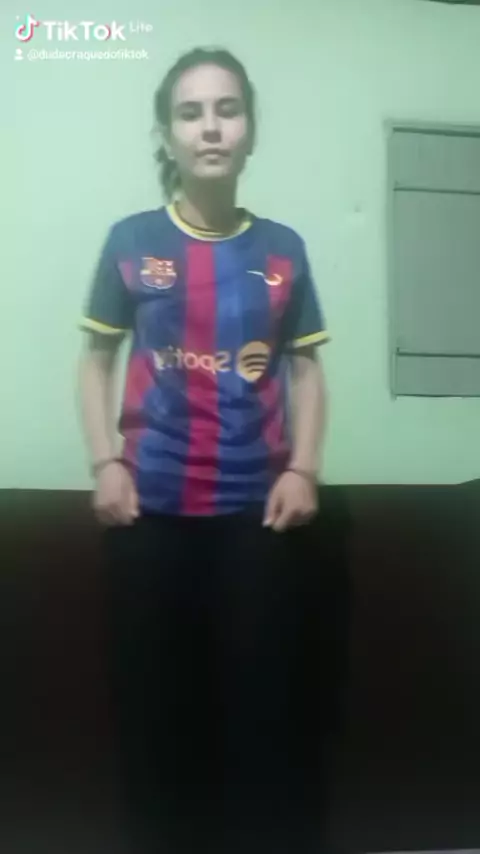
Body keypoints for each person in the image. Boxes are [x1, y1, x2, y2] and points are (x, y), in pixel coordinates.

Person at [78, 46, 330, 854]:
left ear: (249, 129)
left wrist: (305, 469)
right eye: (190, 113)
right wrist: (104, 463)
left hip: (258, 520)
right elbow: (95, 361)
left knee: (262, 715)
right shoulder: (131, 241)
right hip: (148, 514)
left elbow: (306, 370)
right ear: (168, 135)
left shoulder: (283, 250)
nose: (210, 127)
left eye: (227, 109)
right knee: (156, 715)